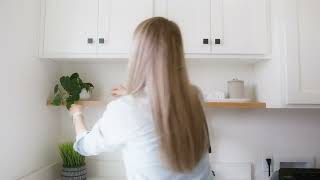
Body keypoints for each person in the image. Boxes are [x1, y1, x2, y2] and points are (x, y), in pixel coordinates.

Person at [69, 17, 213, 180]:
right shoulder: (195, 96)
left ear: (138, 54)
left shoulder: (125, 108)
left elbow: (84, 146)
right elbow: (159, 102)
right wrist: (133, 95)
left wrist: (76, 114)